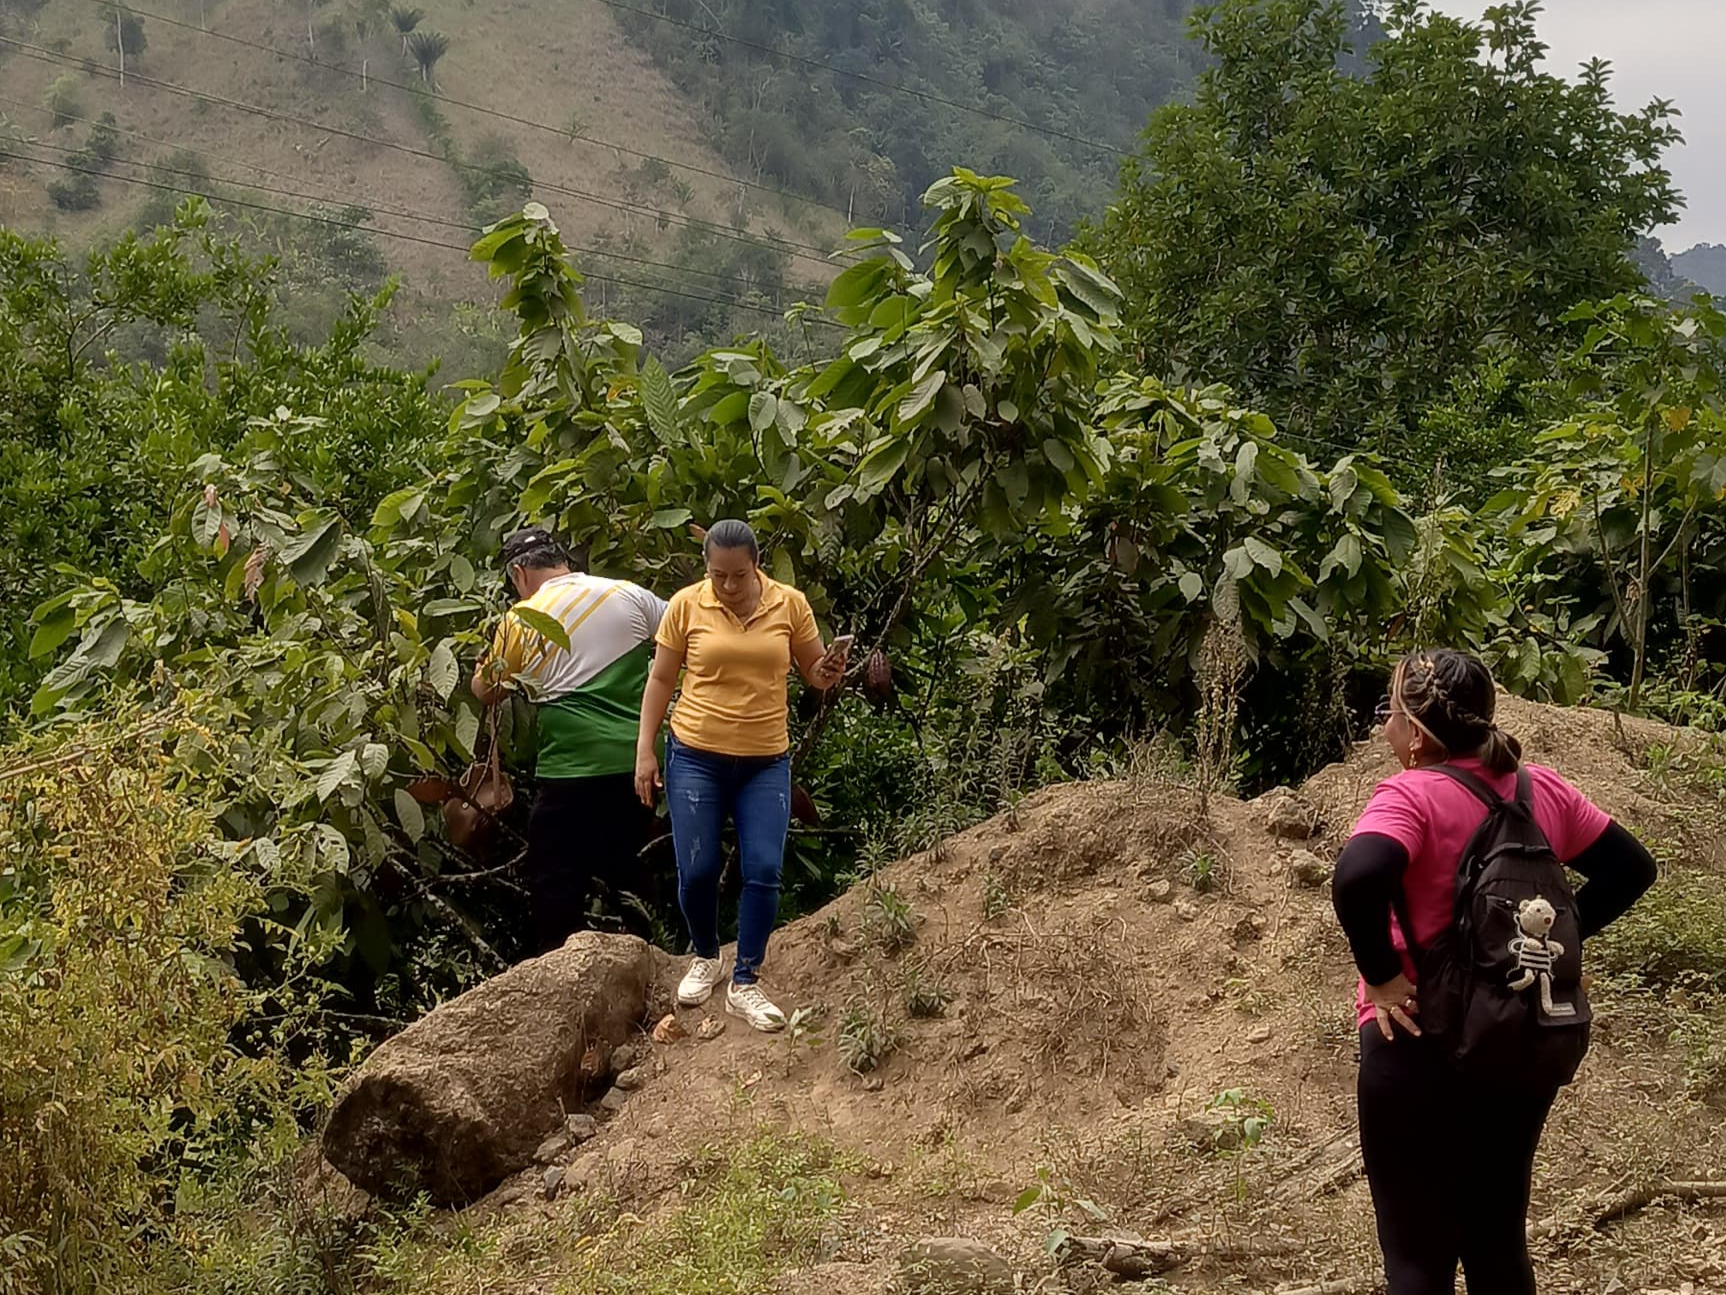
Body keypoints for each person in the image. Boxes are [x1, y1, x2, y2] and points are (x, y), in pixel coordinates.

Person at [1331, 649, 1657, 1295]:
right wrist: (1557, 946)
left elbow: (1357, 876)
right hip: (1516, 1036)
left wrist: (1382, 974)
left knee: (1417, 1259)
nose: (1383, 726)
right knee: (1497, 1242)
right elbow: (1631, 869)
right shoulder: (1541, 790)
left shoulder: (1411, 794)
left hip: (1415, 1034)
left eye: (1388, 714)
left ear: (1417, 734)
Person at [634, 519, 848, 1032]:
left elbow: (812, 671)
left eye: (738, 575)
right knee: (698, 868)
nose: (728, 586)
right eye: (718, 575)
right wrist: (645, 749)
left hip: (765, 760)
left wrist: (828, 672)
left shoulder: (789, 604)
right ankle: (706, 955)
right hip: (695, 755)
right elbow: (661, 678)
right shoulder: (686, 605)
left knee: (763, 868)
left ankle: (746, 980)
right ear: (706, 568)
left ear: (756, 566)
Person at [472, 527, 668, 954]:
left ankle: (560, 967)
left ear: (519, 573)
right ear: (563, 561)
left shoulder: (521, 618)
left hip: (571, 767)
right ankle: (652, 953)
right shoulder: (626, 593)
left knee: (554, 874)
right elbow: (685, 633)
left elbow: (486, 690)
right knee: (626, 861)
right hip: (638, 761)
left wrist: (482, 666)